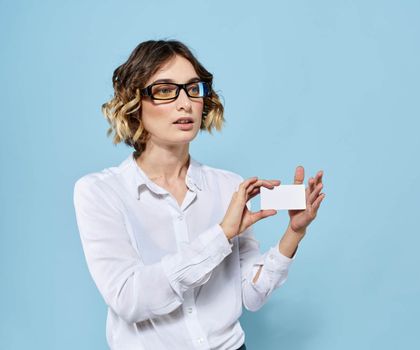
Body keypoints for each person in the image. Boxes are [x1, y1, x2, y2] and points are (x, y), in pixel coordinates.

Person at [73, 39, 325, 350]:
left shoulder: (227, 186)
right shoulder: (100, 192)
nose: (185, 103)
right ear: (134, 102)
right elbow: (129, 299)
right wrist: (221, 236)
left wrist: (293, 234)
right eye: (165, 90)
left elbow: (250, 295)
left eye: (193, 88)